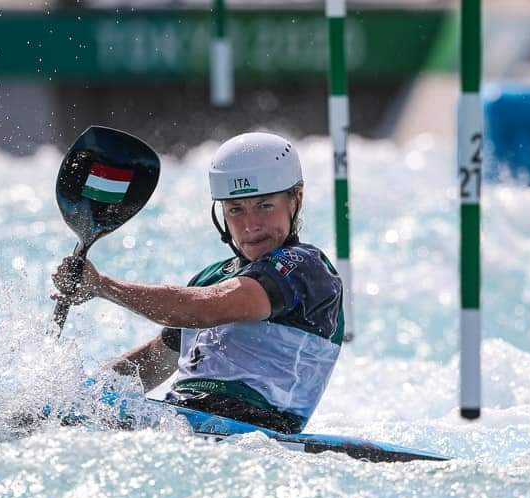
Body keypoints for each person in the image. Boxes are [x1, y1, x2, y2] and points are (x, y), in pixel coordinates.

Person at [52, 132, 344, 433]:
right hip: (182, 419)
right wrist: (79, 395)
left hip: (257, 431)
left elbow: (203, 309)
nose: (250, 225)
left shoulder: (305, 269)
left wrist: (102, 286)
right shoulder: (211, 278)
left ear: (296, 199)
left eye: (264, 206)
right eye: (236, 210)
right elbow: (152, 363)